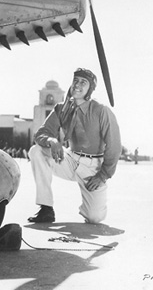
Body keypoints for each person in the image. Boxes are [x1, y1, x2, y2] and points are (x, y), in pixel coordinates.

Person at [28, 68, 122, 224]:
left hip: (93, 169)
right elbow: (41, 134)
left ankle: (90, 204)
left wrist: (102, 175)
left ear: (90, 89)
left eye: (83, 82)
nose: (77, 85)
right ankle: (46, 209)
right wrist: (52, 140)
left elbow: (115, 147)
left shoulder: (101, 111)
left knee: (95, 217)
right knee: (36, 151)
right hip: (69, 160)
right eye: (75, 81)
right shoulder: (61, 108)